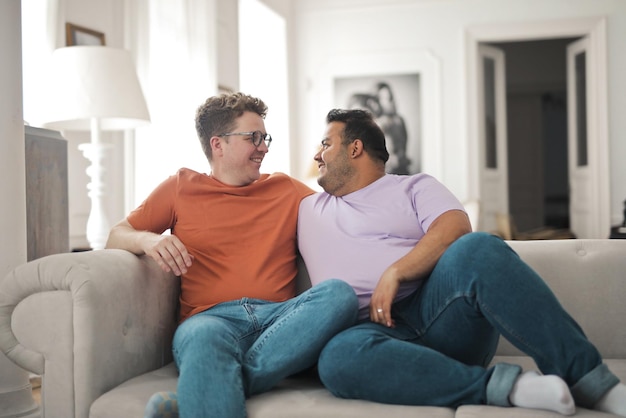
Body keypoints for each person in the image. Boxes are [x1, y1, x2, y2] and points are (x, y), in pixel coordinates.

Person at [297, 108, 626, 416]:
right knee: (336, 358)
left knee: (479, 247)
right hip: (372, 337)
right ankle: (509, 388)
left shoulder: (413, 186)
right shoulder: (308, 208)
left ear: (354, 148)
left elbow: (454, 228)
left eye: (326, 144)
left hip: (441, 316)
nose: (316, 155)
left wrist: (397, 271)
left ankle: (592, 383)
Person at [105, 93, 358, 418]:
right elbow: (116, 235)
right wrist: (148, 241)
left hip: (278, 321)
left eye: (265, 137)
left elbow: (349, 216)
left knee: (338, 295)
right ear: (218, 144)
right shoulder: (180, 187)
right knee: (204, 336)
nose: (264, 146)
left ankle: (201, 394)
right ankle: (214, 388)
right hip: (210, 321)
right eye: (253, 137)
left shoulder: (286, 189)